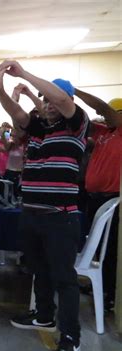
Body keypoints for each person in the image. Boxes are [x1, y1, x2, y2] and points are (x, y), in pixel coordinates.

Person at [0, 60, 89, 351]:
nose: (48, 103)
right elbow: (16, 113)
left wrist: (23, 74)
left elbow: (60, 98)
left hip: (60, 217)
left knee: (64, 279)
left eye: (52, 98)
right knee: (39, 271)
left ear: (69, 102)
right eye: (44, 99)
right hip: (32, 213)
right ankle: (45, 316)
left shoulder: (77, 125)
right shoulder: (36, 130)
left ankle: (71, 336)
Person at [73, 90, 122, 312]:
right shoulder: (104, 133)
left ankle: (112, 295)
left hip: (113, 199)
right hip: (94, 198)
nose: (104, 117)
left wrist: (74, 91)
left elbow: (102, 109)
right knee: (98, 246)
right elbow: (81, 121)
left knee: (110, 250)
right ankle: (100, 286)